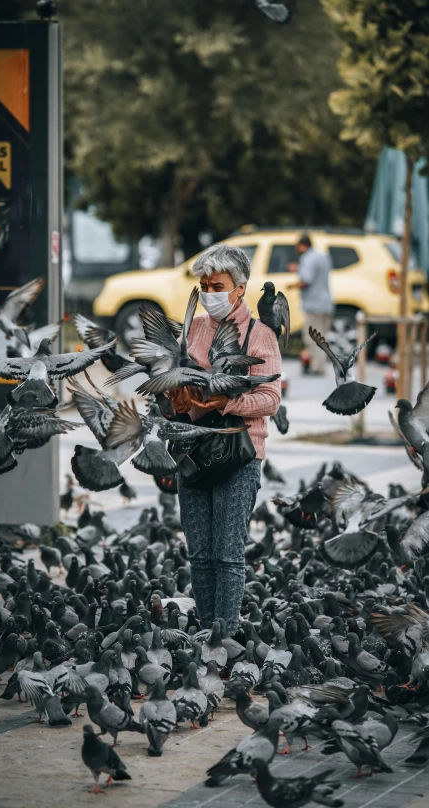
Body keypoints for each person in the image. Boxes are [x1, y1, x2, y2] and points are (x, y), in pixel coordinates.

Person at [168, 243, 281, 636]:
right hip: (195, 450)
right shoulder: (193, 329)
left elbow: (270, 399)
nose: (210, 293)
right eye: (204, 286)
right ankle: (204, 632)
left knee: (228, 554)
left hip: (240, 453)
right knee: (199, 553)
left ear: (240, 288)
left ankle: (227, 637)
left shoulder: (259, 334)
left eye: (217, 285)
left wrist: (227, 402)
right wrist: (177, 399)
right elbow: (176, 390)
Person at [288, 234, 334, 375]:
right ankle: (321, 365)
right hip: (326, 302)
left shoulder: (307, 258)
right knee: (323, 336)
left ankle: (317, 367)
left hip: (314, 304)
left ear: (302, 245)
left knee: (311, 337)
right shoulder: (323, 256)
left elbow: (306, 280)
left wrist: (292, 285)